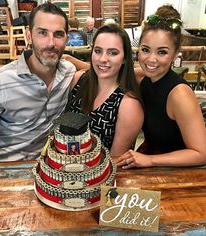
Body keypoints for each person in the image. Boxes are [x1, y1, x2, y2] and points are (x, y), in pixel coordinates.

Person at [0, 2, 76, 163]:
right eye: (42, 33)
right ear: (28, 36)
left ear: (67, 38)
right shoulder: (0, 81)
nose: (51, 43)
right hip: (0, 165)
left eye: (58, 34)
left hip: (43, 166)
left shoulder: (68, 72)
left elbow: (99, 70)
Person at [115, 5, 206, 168]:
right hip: (148, 158)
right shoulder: (142, 77)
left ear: (176, 52)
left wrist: (150, 160)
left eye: (162, 52)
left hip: (177, 170)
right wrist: (71, 63)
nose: (151, 59)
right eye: (145, 50)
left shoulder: (180, 95)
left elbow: (201, 153)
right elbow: (112, 69)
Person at [66, 24, 144, 157]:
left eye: (113, 53)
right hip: (62, 168)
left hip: (100, 175)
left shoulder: (128, 105)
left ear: (125, 58)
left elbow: (115, 161)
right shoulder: (79, 80)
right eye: (98, 51)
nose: (103, 59)